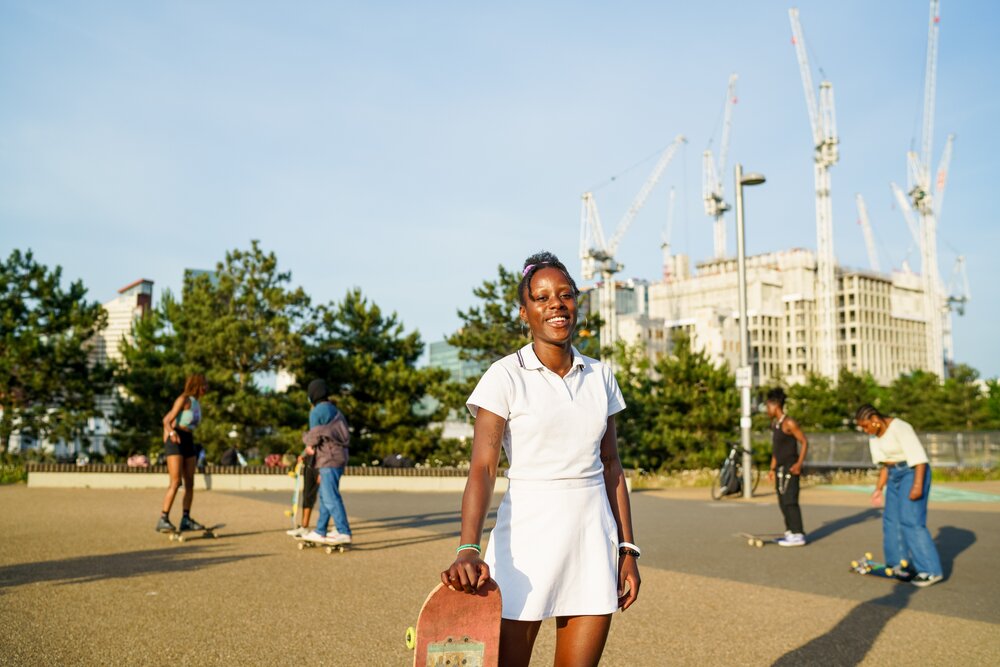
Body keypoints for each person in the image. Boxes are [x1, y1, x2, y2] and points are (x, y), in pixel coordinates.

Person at [441, 251, 640, 666]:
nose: (556, 304)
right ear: (524, 312)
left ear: (576, 305)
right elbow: (483, 468)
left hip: (590, 541)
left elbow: (612, 467)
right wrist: (468, 547)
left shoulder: (600, 376)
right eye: (542, 297)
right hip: (525, 546)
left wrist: (627, 549)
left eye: (565, 295)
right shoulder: (504, 376)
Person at [855, 404, 943, 587]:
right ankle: (898, 563)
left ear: (875, 420)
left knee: (910, 520)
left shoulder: (900, 427)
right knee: (890, 519)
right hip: (894, 474)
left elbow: (920, 460)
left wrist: (917, 486)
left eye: (865, 426)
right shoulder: (874, 436)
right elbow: (886, 466)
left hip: (913, 472)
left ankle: (930, 570)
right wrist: (878, 488)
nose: (864, 430)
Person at [300, 379, 352, 546]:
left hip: (328, 458)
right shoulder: (334, 409)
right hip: (338, 457)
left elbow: (313, 440)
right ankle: (320, 530)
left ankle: (344, 532)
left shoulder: (317, 412)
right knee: (325, 495)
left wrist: (306, 444)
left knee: (330, 497)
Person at [157, 374, 209, 533]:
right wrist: (171, 434)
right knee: (176, 482)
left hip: (188, 439)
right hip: (176, 439)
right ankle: (163, 519)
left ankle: (186, 519)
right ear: (198, 385)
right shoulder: (184, 399)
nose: (207, 388)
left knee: (190, 483)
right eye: (205, 384)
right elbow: (166, 420)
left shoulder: (196, 403)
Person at [765, 387, 808, 547]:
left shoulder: (789, 423)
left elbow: (804, 442)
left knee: (790, 500)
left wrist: (799, 463)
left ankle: (798, 533)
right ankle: (790, 531)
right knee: (782, 500)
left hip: (791, 467)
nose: (766, 410)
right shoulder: (776, 425)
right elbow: (776, 450)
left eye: (767, 406)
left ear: (775, 405)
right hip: (780, 468)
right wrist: (772, 468)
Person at [286, 446, 319, 538]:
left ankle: (340, 529)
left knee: (328, 497)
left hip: (322, 463)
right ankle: (304, 527)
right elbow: (311, 441)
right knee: (307, 495)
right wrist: (303, 454)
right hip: (310, 462)